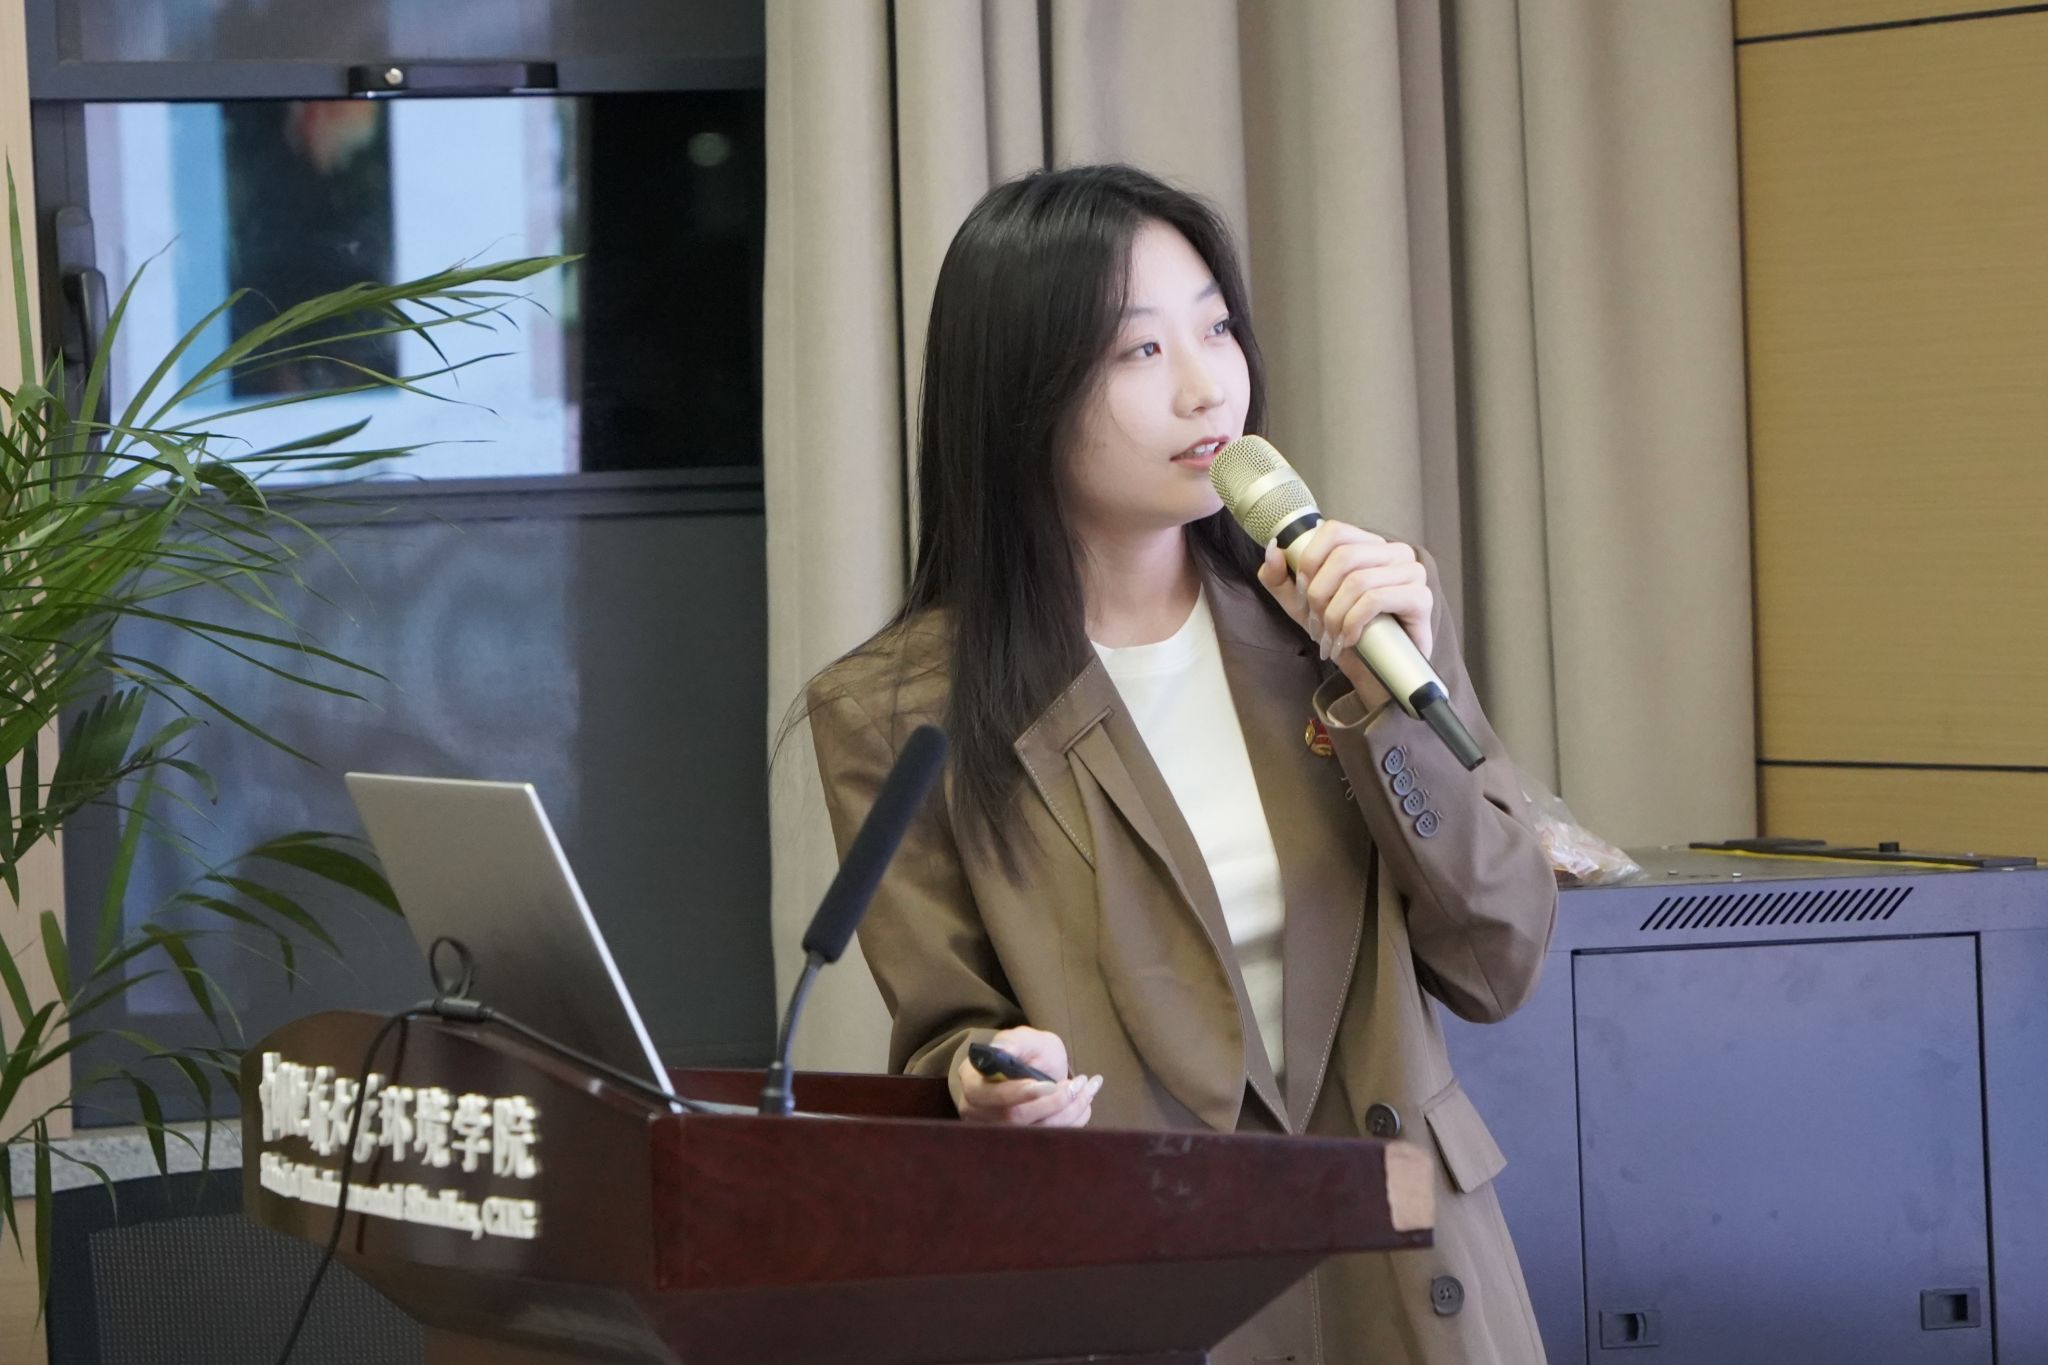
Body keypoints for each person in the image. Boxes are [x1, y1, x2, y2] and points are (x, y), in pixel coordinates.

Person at [805, 163, 1557, 1365]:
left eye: (1215, 328)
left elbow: (1497, 958)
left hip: (1403, 1280)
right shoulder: (895, 709)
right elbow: (950, 1033)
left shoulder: (1344, 621)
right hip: (1138, 1286)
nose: (1207, 387)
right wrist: (989, 1078)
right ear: (1019, 394)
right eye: (1139, 350)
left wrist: (1387, 703)